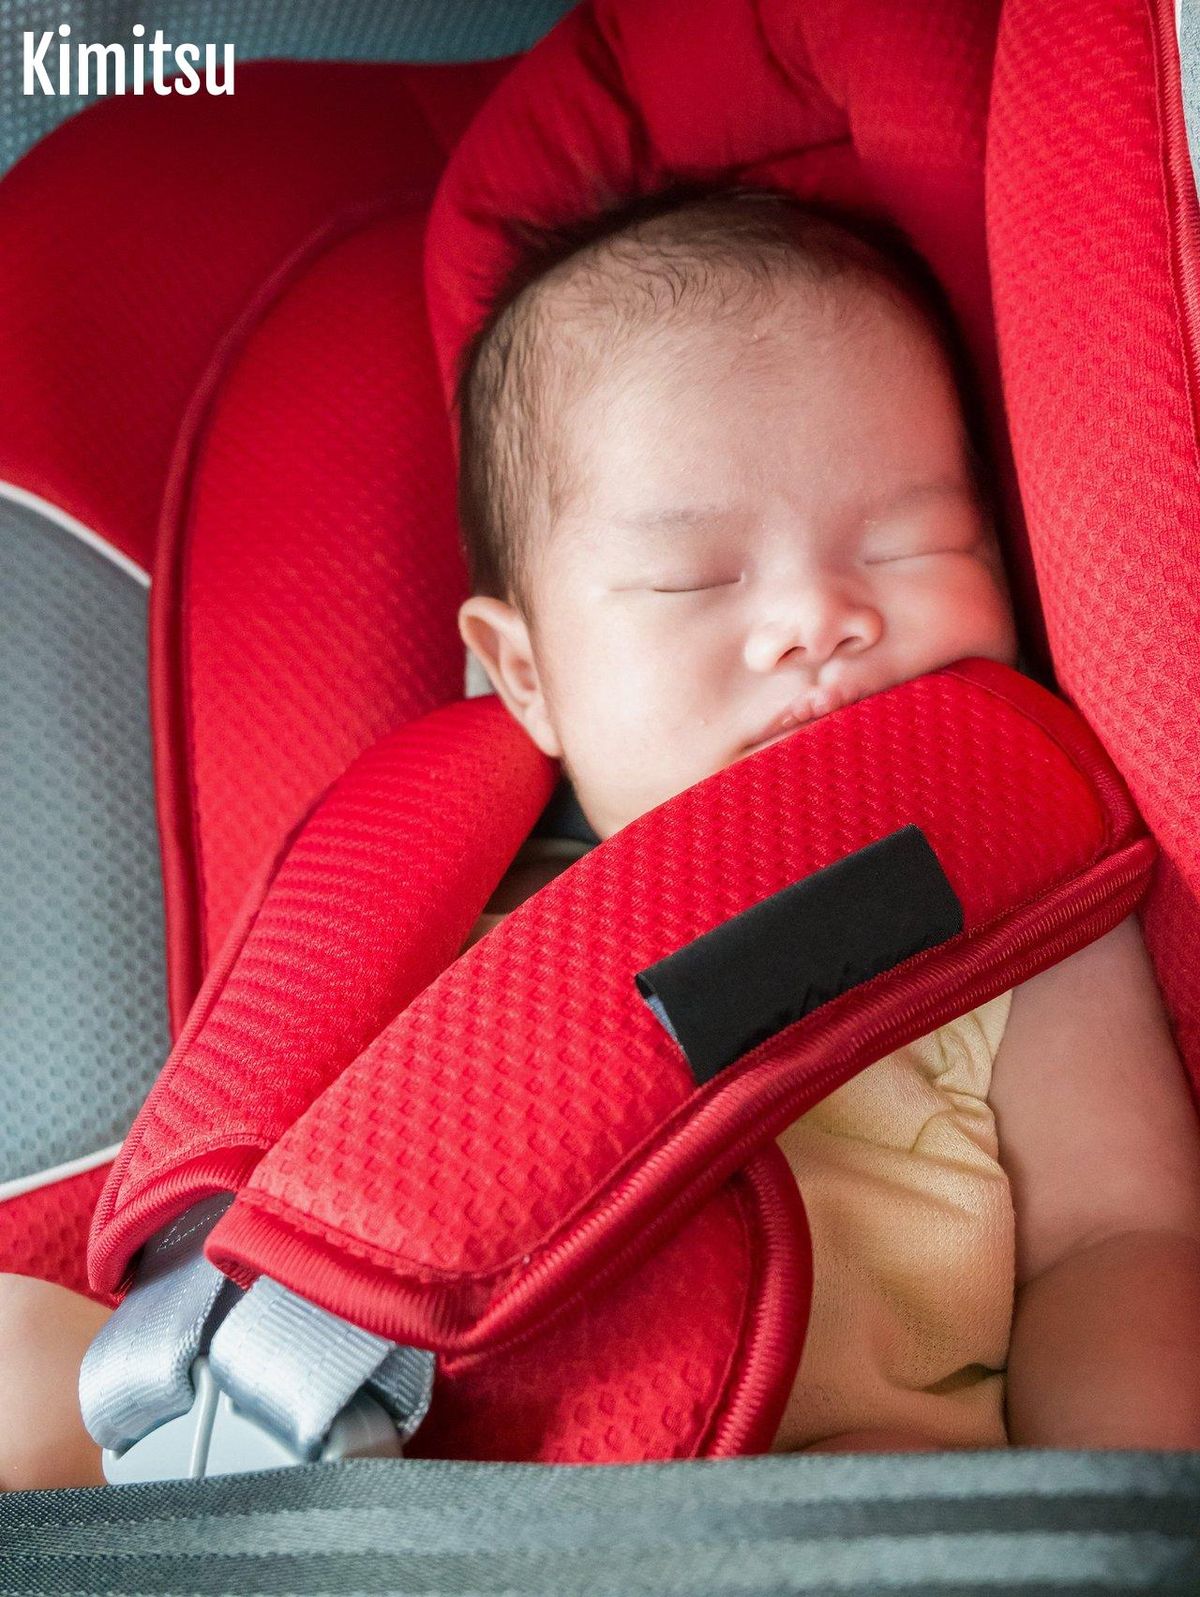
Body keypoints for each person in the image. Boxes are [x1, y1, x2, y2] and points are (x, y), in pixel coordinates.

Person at [2, 190, 1199, 1487]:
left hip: (798, 1483)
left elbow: (1118, 1240)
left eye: (914, 541)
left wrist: (1114, 1492)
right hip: (344, 1428)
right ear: (526, 676)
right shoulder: (452, 894)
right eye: (697, 578)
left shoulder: (1015, 896)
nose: (819, 615)